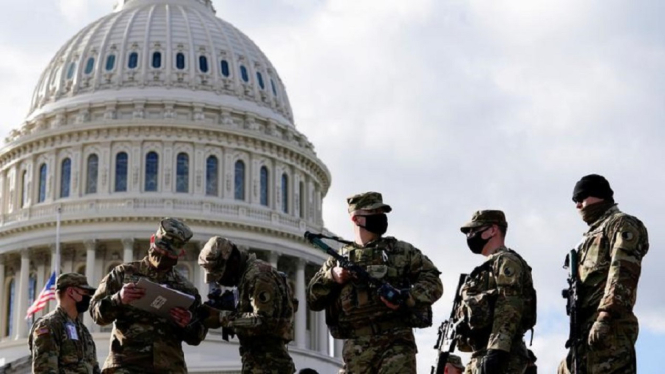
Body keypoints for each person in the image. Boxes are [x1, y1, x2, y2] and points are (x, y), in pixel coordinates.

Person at [307, 191, 443, 374]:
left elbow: (433, 280)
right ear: (356, 219)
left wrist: (407, 298)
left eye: (382, 213)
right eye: (373, 214)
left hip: (396, 343)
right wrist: (332, 276)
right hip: (356, 348)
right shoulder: (338, 259)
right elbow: (312, 299)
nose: (381, 218)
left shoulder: (400, 251)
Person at [90, 218, 208, 373]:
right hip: (126, 366)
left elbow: (197, 336)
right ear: (152, 240)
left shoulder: (186, 290)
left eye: (170, 251)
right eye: (161, 247)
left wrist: (188, 322)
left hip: (169, 368)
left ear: (181, 253)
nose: (164, 253)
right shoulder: (123, 274)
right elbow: (95, 312)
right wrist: (118, 299)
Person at [558, 174, 649, 374]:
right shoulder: (588, 238)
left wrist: (606, 315)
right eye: (575, 201)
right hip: (584, 333)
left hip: (609, 330)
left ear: (599, 196)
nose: (578, 206)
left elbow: (622, 272)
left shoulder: (621, 224)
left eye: (581, 198)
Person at [198, 236, 296, 374]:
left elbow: (264, 320)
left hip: (270, 366)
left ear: (232, 261)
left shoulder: (259, 276)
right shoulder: (246, 278)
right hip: (257, 363)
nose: (220, 281)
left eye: (220, 273)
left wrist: (222, 318)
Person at [455, 210, 537, 374]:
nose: (470, 235)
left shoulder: (506, 261)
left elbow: (509, 304)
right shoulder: (484, 269)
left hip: (503, 355)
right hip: (480, 353)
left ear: (492, 230)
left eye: (474, 230)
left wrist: (497, 349)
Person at [29, 273, 101, 374]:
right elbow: (45, 369)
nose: (89, 297)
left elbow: (94, 368)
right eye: (85, 292)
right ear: (71, 292)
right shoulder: (49, 325)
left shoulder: (83, 331)